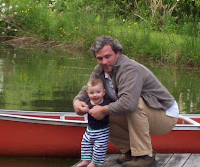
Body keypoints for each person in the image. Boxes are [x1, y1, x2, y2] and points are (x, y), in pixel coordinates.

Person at [73, 36, 179, 167]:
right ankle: (130, 152)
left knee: (132, 105)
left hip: (165, 114)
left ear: (118, 53)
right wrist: (77, 102)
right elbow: (87, 89)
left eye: (107, 56)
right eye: (99, 58)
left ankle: (145, 156)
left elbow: (129, 104)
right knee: (102, 112)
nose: (104, 61)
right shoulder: (100, 70)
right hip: (144, 112)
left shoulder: (130, 69)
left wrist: (103, 109)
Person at [77, 78, 110, 167]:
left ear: (103, 92)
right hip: (90, 130)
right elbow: (83, 109)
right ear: (88, 93)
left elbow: (110, 111)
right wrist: (83, 109)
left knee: (99, 147)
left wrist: (103, 112)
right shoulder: (88, 102)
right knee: (85, 143)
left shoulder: (105, 103)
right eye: (92, 93)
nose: (95, 95)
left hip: (102, 131)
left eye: (98, 92)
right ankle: (86, 160)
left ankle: (94, 163)